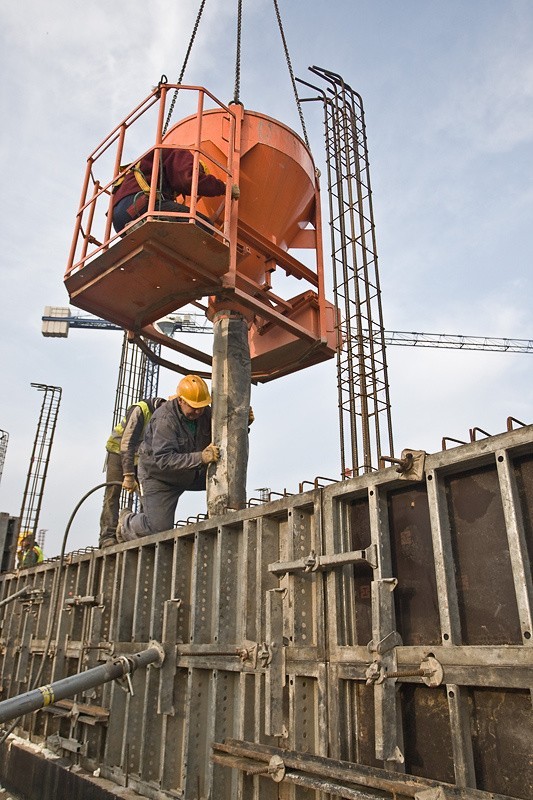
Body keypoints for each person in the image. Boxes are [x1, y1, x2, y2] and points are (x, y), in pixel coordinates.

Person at [116, 375, 219, 542]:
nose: (198, 411)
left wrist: (243, 422)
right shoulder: (164, 419)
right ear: (181, 400)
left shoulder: (204, 413)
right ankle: (126, 522)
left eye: (201, 407)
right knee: (158, 529)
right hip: (159, 477)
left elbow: (222, 433)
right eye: (193, 407)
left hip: (188, 472)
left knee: (224, 474)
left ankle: (216, 514)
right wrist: (200, 457)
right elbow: (164, 460)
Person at [111, 148, 230, 234]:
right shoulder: (180, 154)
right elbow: (189, 180)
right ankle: (153, 223)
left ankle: (142, 226)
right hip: (139, 204)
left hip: (118, 221)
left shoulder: (149, 165)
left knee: (171, 213)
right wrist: (224, 188)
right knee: (205, 225)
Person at [99, 397, 166, 548]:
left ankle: (140, 530)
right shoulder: (140, 410)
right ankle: (107, 537)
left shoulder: (166, 417)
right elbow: (126, 443)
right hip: (118, 452)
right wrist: (128, 474)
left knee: (147, 493)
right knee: (113, 492)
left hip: (140, 456)